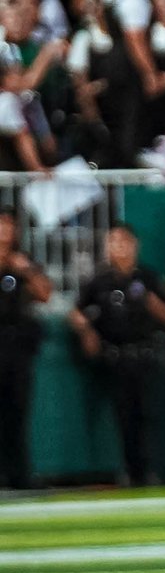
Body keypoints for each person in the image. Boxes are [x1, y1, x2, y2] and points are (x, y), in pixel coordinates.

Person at [70, 223, 165, 487]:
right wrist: (87, 331)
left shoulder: (149, 279)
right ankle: (129, 471)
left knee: (148, 417)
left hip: (146, 356)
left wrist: (151, 303)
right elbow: (76, 311)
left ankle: (150, 471)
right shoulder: (99, 281)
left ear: (134, 245)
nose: (119, 248)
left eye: (124, 242)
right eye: (114, 242)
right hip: (116, 358)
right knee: (124, 417)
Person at [0, 207, 52, 489]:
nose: (5, 232)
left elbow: (45, 294)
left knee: (17, 413)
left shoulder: (24, 262)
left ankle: (19, 474)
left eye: (10, 226)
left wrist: (26, 270)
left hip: (18, 348)